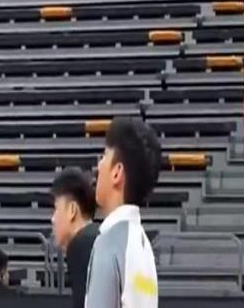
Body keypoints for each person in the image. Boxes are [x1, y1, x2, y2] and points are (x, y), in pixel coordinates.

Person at [85, 116, 161, 308]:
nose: (98, 166)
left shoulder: (108, 244)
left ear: (117, 173)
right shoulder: (144, 246)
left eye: (104, 156)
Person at [51, 167, 98, 308]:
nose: (53, 219)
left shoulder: (81, 245)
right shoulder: (99, 236)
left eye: (56, 208)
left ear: (72, 210)